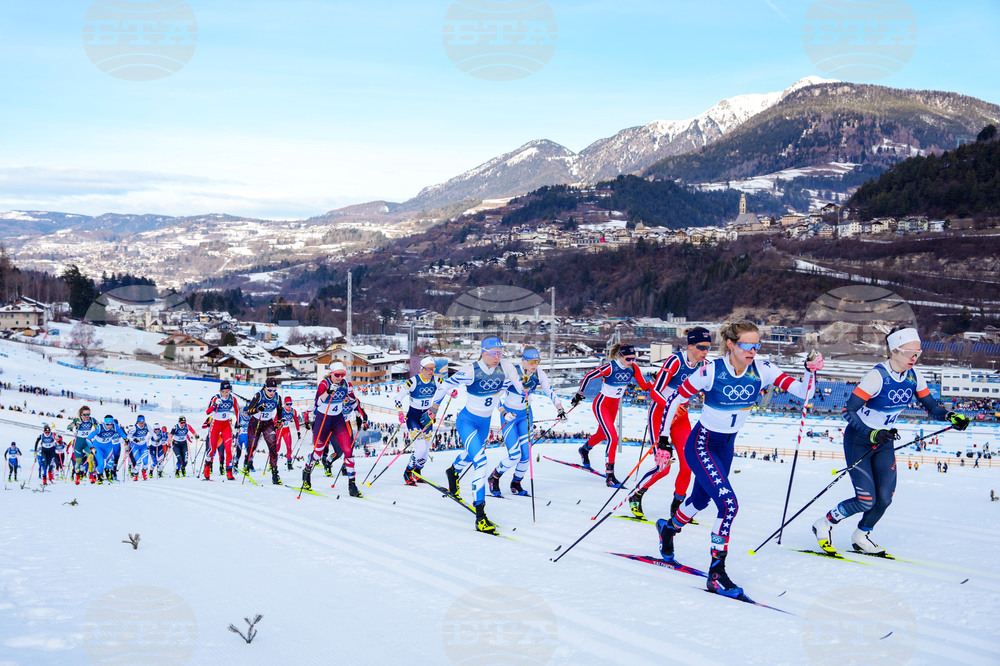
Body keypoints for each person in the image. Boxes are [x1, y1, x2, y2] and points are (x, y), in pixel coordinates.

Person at [656, 321, 824, 598]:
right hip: (702, 443)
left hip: (726, 446)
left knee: (700, 500)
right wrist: (663, 439)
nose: (753, 350)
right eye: (747, 345)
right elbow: (674, 399)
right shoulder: (710, 372)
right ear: (731, 345)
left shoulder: (764, 369)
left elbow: (804, 393)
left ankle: (668, 529)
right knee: (728, 505)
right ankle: (716, 573)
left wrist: (809, 373)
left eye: (757, 345)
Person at [812, 327, 969, 555]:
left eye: (918, 353)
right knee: (866, 500)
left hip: (884, 441)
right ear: (894, 351)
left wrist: (950, 416)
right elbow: (848, 411)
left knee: (884, 499)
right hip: (860, 440)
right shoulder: (877, 377)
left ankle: (862, 535)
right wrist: (871, 433)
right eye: (909, 353)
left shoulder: (915, 376)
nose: (914, 358)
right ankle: (824, 523)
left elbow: (932, 407)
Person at [432, 337, 525, 533]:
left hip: (484, 424)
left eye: (500, 353)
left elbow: (498, 397)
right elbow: (445, 385)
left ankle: (453, 471)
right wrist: (434, 406)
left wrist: (505, 412)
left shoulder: (503, 372)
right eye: (493, 353)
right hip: (467, 422)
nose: (497, 356)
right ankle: (481, 516)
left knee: (470, 455)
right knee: (481, 461)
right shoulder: (470, 371)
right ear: (483, 352)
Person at [628, 328, 712, 520]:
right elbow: (654, 392)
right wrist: (671, 406)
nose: (705, 352)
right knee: (663, 467)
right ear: (690, 346)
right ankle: (637, 494)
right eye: (701, 348)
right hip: (660, 415)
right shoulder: (675, 361)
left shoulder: (705, 365)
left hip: (681, 419)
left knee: (687, 464)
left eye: (708, 348)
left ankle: (677, 506)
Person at [488, 346, 565, 497]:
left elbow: (550, 391)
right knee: (514, 455)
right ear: (523, 361)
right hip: (510, 417)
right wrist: (503, 412)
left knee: (526, 456)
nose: (534, 365)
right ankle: (494, 477)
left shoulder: (539, 373)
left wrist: (560, 409)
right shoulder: (512, 373)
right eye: (531, 361)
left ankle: (516, 483)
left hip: (526, 416)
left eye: (537, 361)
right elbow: (495, 396)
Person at [573, 343, 652, 486]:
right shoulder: (610, 367)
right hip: (601, 404)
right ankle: (610, 476)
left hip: (614, 406)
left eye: (634, 359)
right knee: (613, 438)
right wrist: (579, 394)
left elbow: (645, 386)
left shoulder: (633, 368)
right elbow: (589, 376)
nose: (631, 362)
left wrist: (656, 380)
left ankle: (584, 449)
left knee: (602, 434)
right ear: (621, 356)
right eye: (628, 359)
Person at [301, 362, 367, 496]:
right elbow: (317, 403)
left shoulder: (346, 385)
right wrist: (328, 391)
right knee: (318, 452)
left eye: (342, 374)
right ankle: (307, 472)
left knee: (348, 450)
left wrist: (362, 415)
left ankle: (352, 485)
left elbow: (354, 401)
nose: (339, 377)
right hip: (323, 420)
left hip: (338, 420)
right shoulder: (324, 384)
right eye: (337, 375)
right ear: (331, 373)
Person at [403, 356, 444, 485]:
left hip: (427, 418)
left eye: (433, 369)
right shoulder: (413, 381)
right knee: (420, 448)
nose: (431, 372)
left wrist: (453, 392)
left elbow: (447, 388)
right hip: (414, 418)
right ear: (422, 369)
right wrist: (399, 411)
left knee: (426, 450)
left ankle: (418, 471)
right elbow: (397, 398)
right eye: (428, 369)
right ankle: (408, 472)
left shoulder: (437, 380)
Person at [245, 378, 286, 485]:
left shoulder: (277, 397)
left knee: (273, 448)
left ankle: (275, 474)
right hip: (256, 422)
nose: (272, 393)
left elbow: (280, 410)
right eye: (270, 390)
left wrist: (279, 422)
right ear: (265, 388)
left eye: (274, 390)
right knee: (252, 446)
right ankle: (247, 462)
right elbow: (249, 411)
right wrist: (258, 409)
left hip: (268, 423)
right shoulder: (259, 395)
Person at [205, 380, 239, 480]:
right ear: (220, 391)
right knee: (213, 449)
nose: (225, 394)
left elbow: (237, 411)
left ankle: (229, 471)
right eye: (223, 392)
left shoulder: (232, 399)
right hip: (215, 425)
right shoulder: (215, 398)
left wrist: (238, 422)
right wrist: (214, 405)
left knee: (229, 449)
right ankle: (207, 469)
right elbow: (207, 412)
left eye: (227, 391)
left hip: (226, 425)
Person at [87, 415, 129, 484]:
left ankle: (107, 473)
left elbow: (121, 432)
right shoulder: (99, 427)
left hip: (108, 446)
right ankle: (100, 477)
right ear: (104, 423)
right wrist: (91, 447)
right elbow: (88, 438)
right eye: (107, 424)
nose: (109, 426)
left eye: (111, 424)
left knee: (110, 462)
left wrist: (125, 439)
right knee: (101, 463)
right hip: (98, 447)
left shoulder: (115, 426)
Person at [69, 406, 97, 484]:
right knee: (78, 461)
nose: (87, 416)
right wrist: (75, 425)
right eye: (85, 414)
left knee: (91, 459)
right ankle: (77, 476)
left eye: (88, 414)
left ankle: (91, 476)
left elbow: (97, 428)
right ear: (81, 414)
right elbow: (68, 427)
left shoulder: (92, 420)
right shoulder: (78, 419)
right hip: (79, 442)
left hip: (87, 442)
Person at [278, 396, 301, 471]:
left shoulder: (293, 411)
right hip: (279, 430)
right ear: (284, 404)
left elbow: (296, 421)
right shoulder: (281, 410)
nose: (289, 406)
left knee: (289, 447)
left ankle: (289, 463)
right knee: (277, 448)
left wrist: (298, 431)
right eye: (287, 404)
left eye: (290, 404)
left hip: (286, 430)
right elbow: (275, 420)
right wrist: (281, 421)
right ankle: (272, 463)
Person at [127, 415, 152, 481]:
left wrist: (156, 438)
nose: (142, 424)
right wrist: (134, 439)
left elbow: (153, 433)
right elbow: (128, 436)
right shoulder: (134, 428)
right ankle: (135, 475)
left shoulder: (147, 426)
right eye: (140, 423)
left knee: (146, 462)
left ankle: (144, 472)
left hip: (143, 446)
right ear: (137, 422)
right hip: (135, 446)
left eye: (143, 423)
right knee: (138, 462)